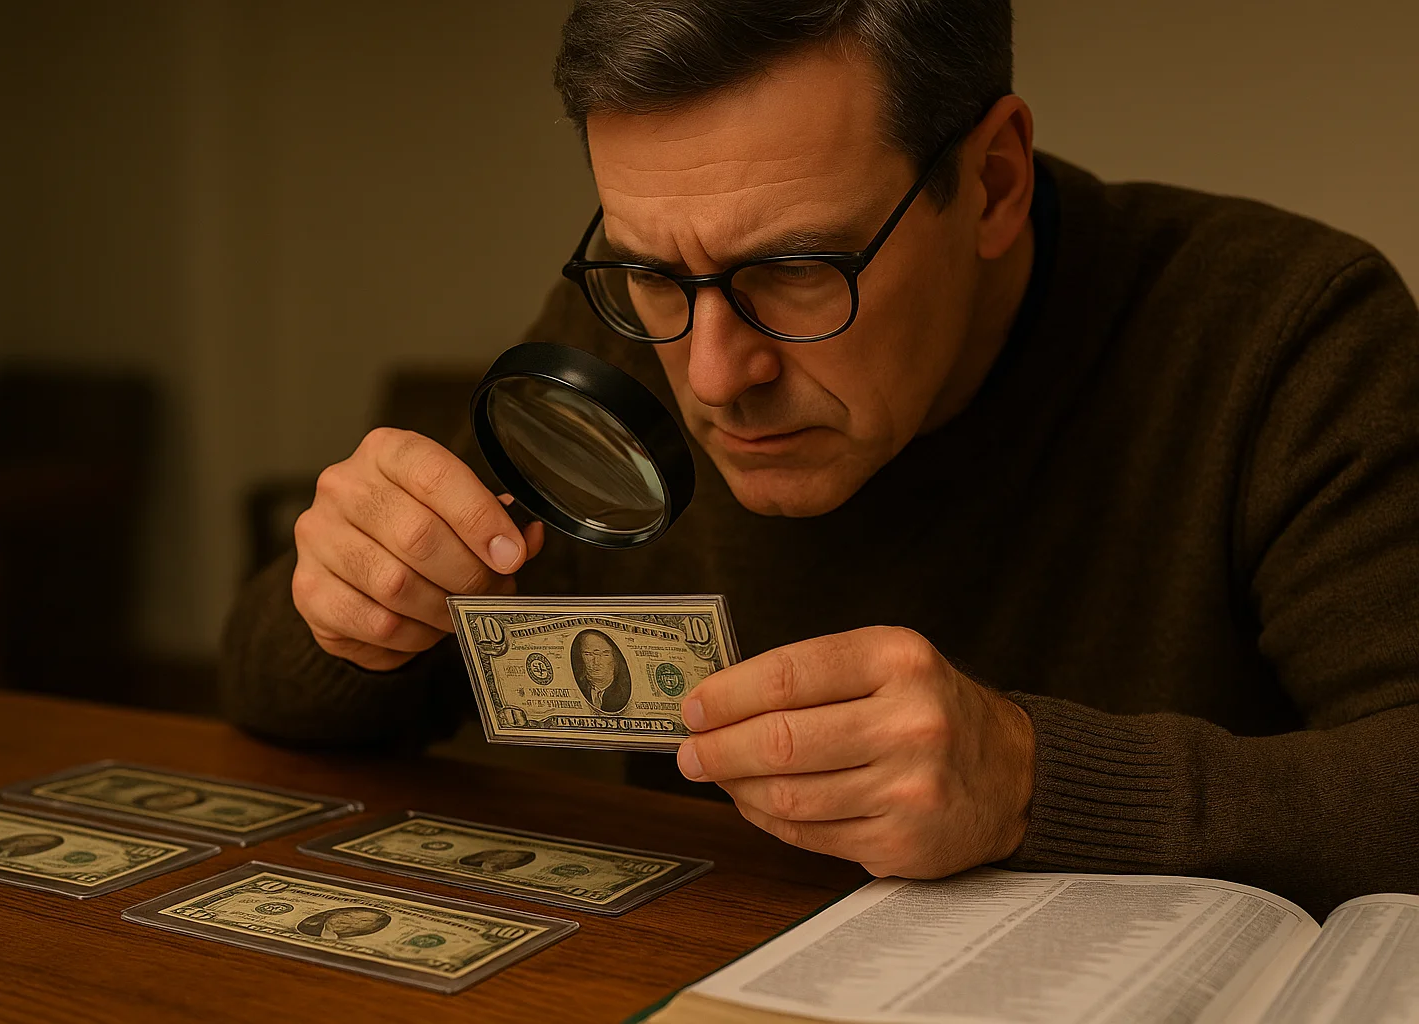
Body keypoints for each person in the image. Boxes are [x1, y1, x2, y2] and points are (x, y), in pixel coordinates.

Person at [221, 0, 1419, 919]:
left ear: (991, 180)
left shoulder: (1286, 332)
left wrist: (1032, 780)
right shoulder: (631, 329)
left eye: (798, 269)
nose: (709, 373)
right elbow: (280, 694)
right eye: (649, 269)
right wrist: (345, 606)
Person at [570, 629, 632, 714]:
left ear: (615, 657)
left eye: (605, 654)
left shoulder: (624, 692)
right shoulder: (577, 688)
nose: (596, 662)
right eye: (588, 654)